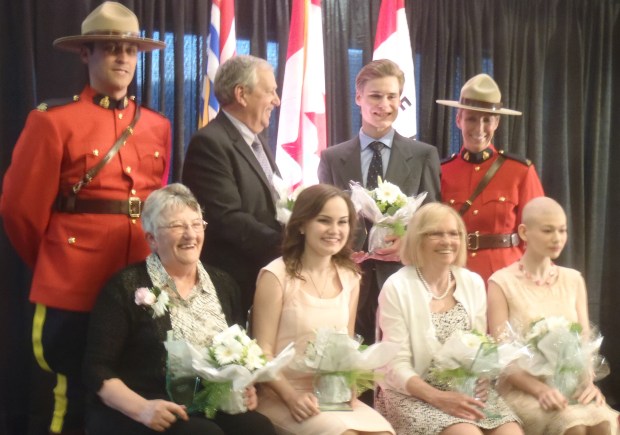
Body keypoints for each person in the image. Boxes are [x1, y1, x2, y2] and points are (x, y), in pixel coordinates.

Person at [0, 2, 170, 433]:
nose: (122, 58)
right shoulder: (53, 122)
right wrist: (56, 262)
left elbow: (158, 209)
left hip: (139, 283)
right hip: (74, 283)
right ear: (85, 54)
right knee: (67, 395)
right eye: (111, 48)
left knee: (132, 391)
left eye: (130, 50)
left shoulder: (155, 126)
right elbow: (20, 212)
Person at [83, 183, 276, 435]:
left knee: (258, 428)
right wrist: (142, 409)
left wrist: (243, 385)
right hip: (145, 405)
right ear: (152, 239)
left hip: (208, 404)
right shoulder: (125, 287)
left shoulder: (224, 283)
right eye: (177, 226)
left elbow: (235, 350)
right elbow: (96, 368)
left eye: (197, 224)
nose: (190, 235)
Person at [252, 184, 395, 435]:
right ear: (301, 225)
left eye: (342, 222)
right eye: (324, 221)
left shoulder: (350, 277)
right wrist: (291, 398)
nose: (334, 230)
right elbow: (262, 353)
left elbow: (346, 347)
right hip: (281, 396)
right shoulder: (275, 276)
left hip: (331, 396)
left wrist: (349, 383)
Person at [318, 59, 441, 344]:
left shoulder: (423, 155)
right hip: (346, 277)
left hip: (403, 276)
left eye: (392, 96)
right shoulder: (333, 158)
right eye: (375, 95)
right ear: (359, 98)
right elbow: (322, 218)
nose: (384, 104)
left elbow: (433, 218)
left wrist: (410, 243)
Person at [376, 203, 523, 435]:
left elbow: (479, 346)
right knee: (466, 433)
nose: (447, 241)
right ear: (417, 239)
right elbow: (395, 366)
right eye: (436, 233)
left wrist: (482, 377)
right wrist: (439, 397)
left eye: (454, 233)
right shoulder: (397, 287)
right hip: (413, 394)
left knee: (511, 433)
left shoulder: (472, 282)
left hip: (464, 391)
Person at [487, 197, 618, 435]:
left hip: (570, 386)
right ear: (524, 232)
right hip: (522, 389)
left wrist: (588, 384)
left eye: (562, 230)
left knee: (601, 423)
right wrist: (540, 389)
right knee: (574, 426)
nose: (557, 238)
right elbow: (502, 354)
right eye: (548, 231)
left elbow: (585, 344)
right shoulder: (501, 282)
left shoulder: (573, 279)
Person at [183, 55, 283, 320]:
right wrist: (289, 244)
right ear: (242, 94)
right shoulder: (210, 143)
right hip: (233, 285)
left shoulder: (257, 142)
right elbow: (225, 219)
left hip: (264, 277)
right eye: (270, 91)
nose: (277, 100)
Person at [437, 73, 544, 285]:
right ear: (458, 119)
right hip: (454, 278)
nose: (479, 128)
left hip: (506, 278)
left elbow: (537, 233)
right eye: (471, 118)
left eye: (487, 120)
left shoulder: (519, 171)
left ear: (497, 122)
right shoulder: (441, 171)